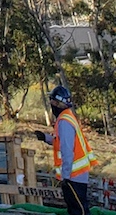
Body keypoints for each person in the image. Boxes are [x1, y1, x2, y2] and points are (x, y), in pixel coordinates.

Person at [45, 86, 96, 215]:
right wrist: (45, 138)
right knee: (77, 209)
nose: (51, 104)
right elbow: (61, 142)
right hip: (77, 174)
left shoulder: (64, 122)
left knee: (78, 210)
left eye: (52, 102)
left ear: (57, 103)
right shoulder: (68, 117)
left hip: (74, 175)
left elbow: (67, 150)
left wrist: (65, 176)